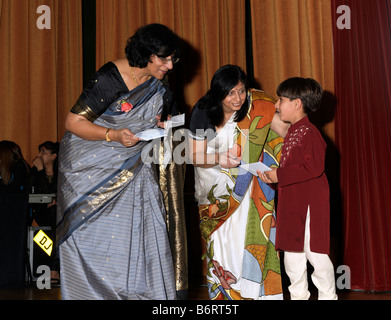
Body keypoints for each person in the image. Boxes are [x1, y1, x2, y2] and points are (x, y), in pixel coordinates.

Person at [56, 23, 181, 300]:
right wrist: (112, 134)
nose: (170, 65)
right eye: (164, 59)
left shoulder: (157, 81)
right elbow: (73, 122)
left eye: (173, 59)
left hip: (133, 164)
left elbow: (162, 113)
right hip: (88, 168)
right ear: (147, 55)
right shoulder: (110, 77)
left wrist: (165, 122)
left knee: (146, 227)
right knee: (95, 240)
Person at [188, 65, 289, 300]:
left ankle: (254, 295)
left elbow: (284, 129)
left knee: (248, 244)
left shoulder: (256, 106)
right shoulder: (203, 110)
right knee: (222, 249)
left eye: (242, 91)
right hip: (215, 192)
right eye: (230, 93)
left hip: (250, 191)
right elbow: (193, 156)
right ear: (218, 92)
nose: (238, 98)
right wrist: (218, 159)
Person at [257, 77, 338, 300]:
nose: (276, 105)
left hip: (308, 205)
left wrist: (279, 174)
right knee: (292, 256)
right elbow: (295, 169)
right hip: (293, 204)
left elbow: (312, 168)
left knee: (316, 254)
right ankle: (298, 296)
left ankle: (327, 296)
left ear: (297, 103)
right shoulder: (294, 131)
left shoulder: (309, 132)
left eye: (280, 100)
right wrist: (273, 176)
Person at [26, 141, 60, 285]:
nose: (39, 155)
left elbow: (56, 194)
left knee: (54, 230)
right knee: (52, 226)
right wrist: (40, 171)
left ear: (53, 156)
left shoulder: (60, 172)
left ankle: (53, 269)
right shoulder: (34, 171)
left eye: (43, 152)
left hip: (56, 215)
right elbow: (32, 195)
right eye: (39, 152)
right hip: (41, 214)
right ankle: (54, 269)